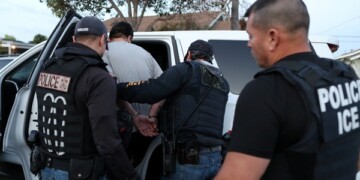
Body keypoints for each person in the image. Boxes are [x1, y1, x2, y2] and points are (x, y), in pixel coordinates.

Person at [215, 0, 360, 179]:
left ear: (272, 37)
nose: (249, 44)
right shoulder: (344, 75)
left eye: (251, 36)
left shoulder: (267, 91)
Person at [35, 16, 141, 180]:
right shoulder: (98, 77)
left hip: (46, 168)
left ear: (74, 39)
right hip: (80, 172)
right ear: (102, 40)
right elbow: (107, 143)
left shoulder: (49, 67)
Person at [117, 40, 229, 179]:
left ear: (189, 54)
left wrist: (118, 88)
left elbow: (153, 90)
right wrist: (153, 115)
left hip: (188, 160)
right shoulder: (222, 82)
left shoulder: (187, 69)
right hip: (214, 159)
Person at [102, 21, 163, 160]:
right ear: (129, 38)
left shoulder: (104, 52)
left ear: (109, 38)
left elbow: (109, 87)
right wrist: (152, 115)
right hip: (147, 129)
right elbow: (164, 87)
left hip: (117, 129)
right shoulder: (146, 54)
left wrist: (134, 115)